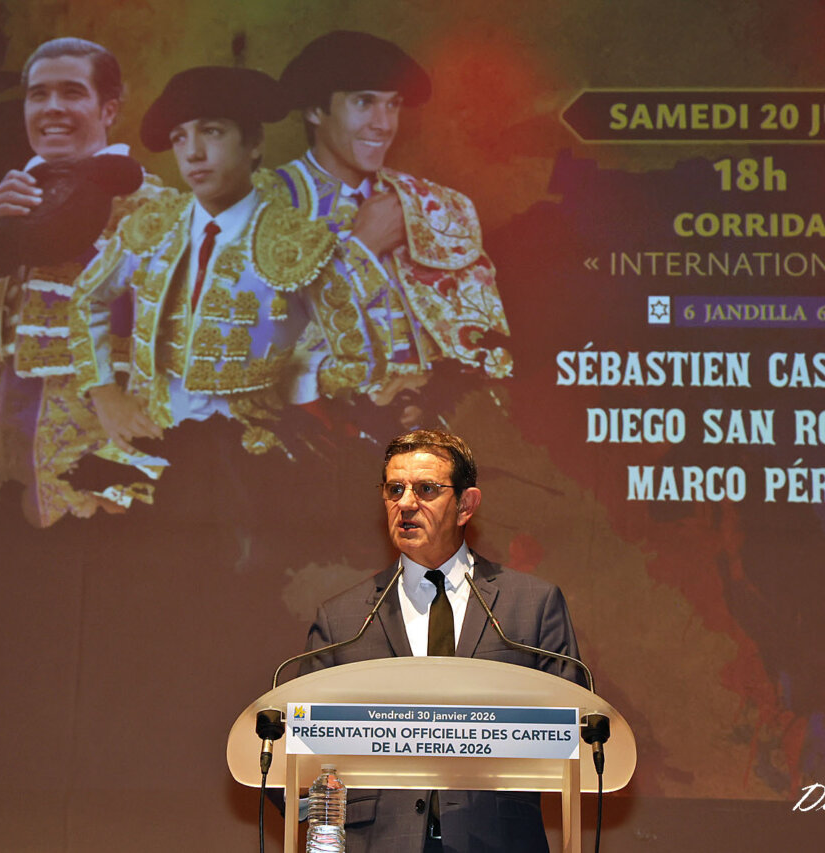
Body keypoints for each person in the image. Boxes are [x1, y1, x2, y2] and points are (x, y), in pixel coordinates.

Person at [0, 37, 169, 541]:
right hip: (9, 481)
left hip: (115, 488)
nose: (52, 108)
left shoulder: (155, 212)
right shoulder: (9, 203)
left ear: (109, 110)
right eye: (38, 94)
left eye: (72, 92)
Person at [68, 65, 381, 464]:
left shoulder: (298, 241)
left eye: (212, 132)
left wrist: (289, 385)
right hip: (151, 444)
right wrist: (105, 394)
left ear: (254, 144)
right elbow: (87, 297)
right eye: (179, 138)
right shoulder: (153, 225)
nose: (193, 153)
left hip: (257, 454)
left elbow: (357, 360)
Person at [301, 429, 584, 852]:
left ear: (466, 505)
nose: (405, 503)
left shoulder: (532, 605)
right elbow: (294, 746)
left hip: (498, 841)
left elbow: (576, 734)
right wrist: (323, 820)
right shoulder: (343, 619)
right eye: (394, 489)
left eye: (426, 490)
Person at [275, 31, 513, 416]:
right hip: (314, 439)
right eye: (364, 102)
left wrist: (431, 390)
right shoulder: (259, 209)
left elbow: (492, 350)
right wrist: (362, 249)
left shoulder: (438, 207)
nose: (384, 124)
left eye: (394, 105)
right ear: (315, 110)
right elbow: (249, 357)